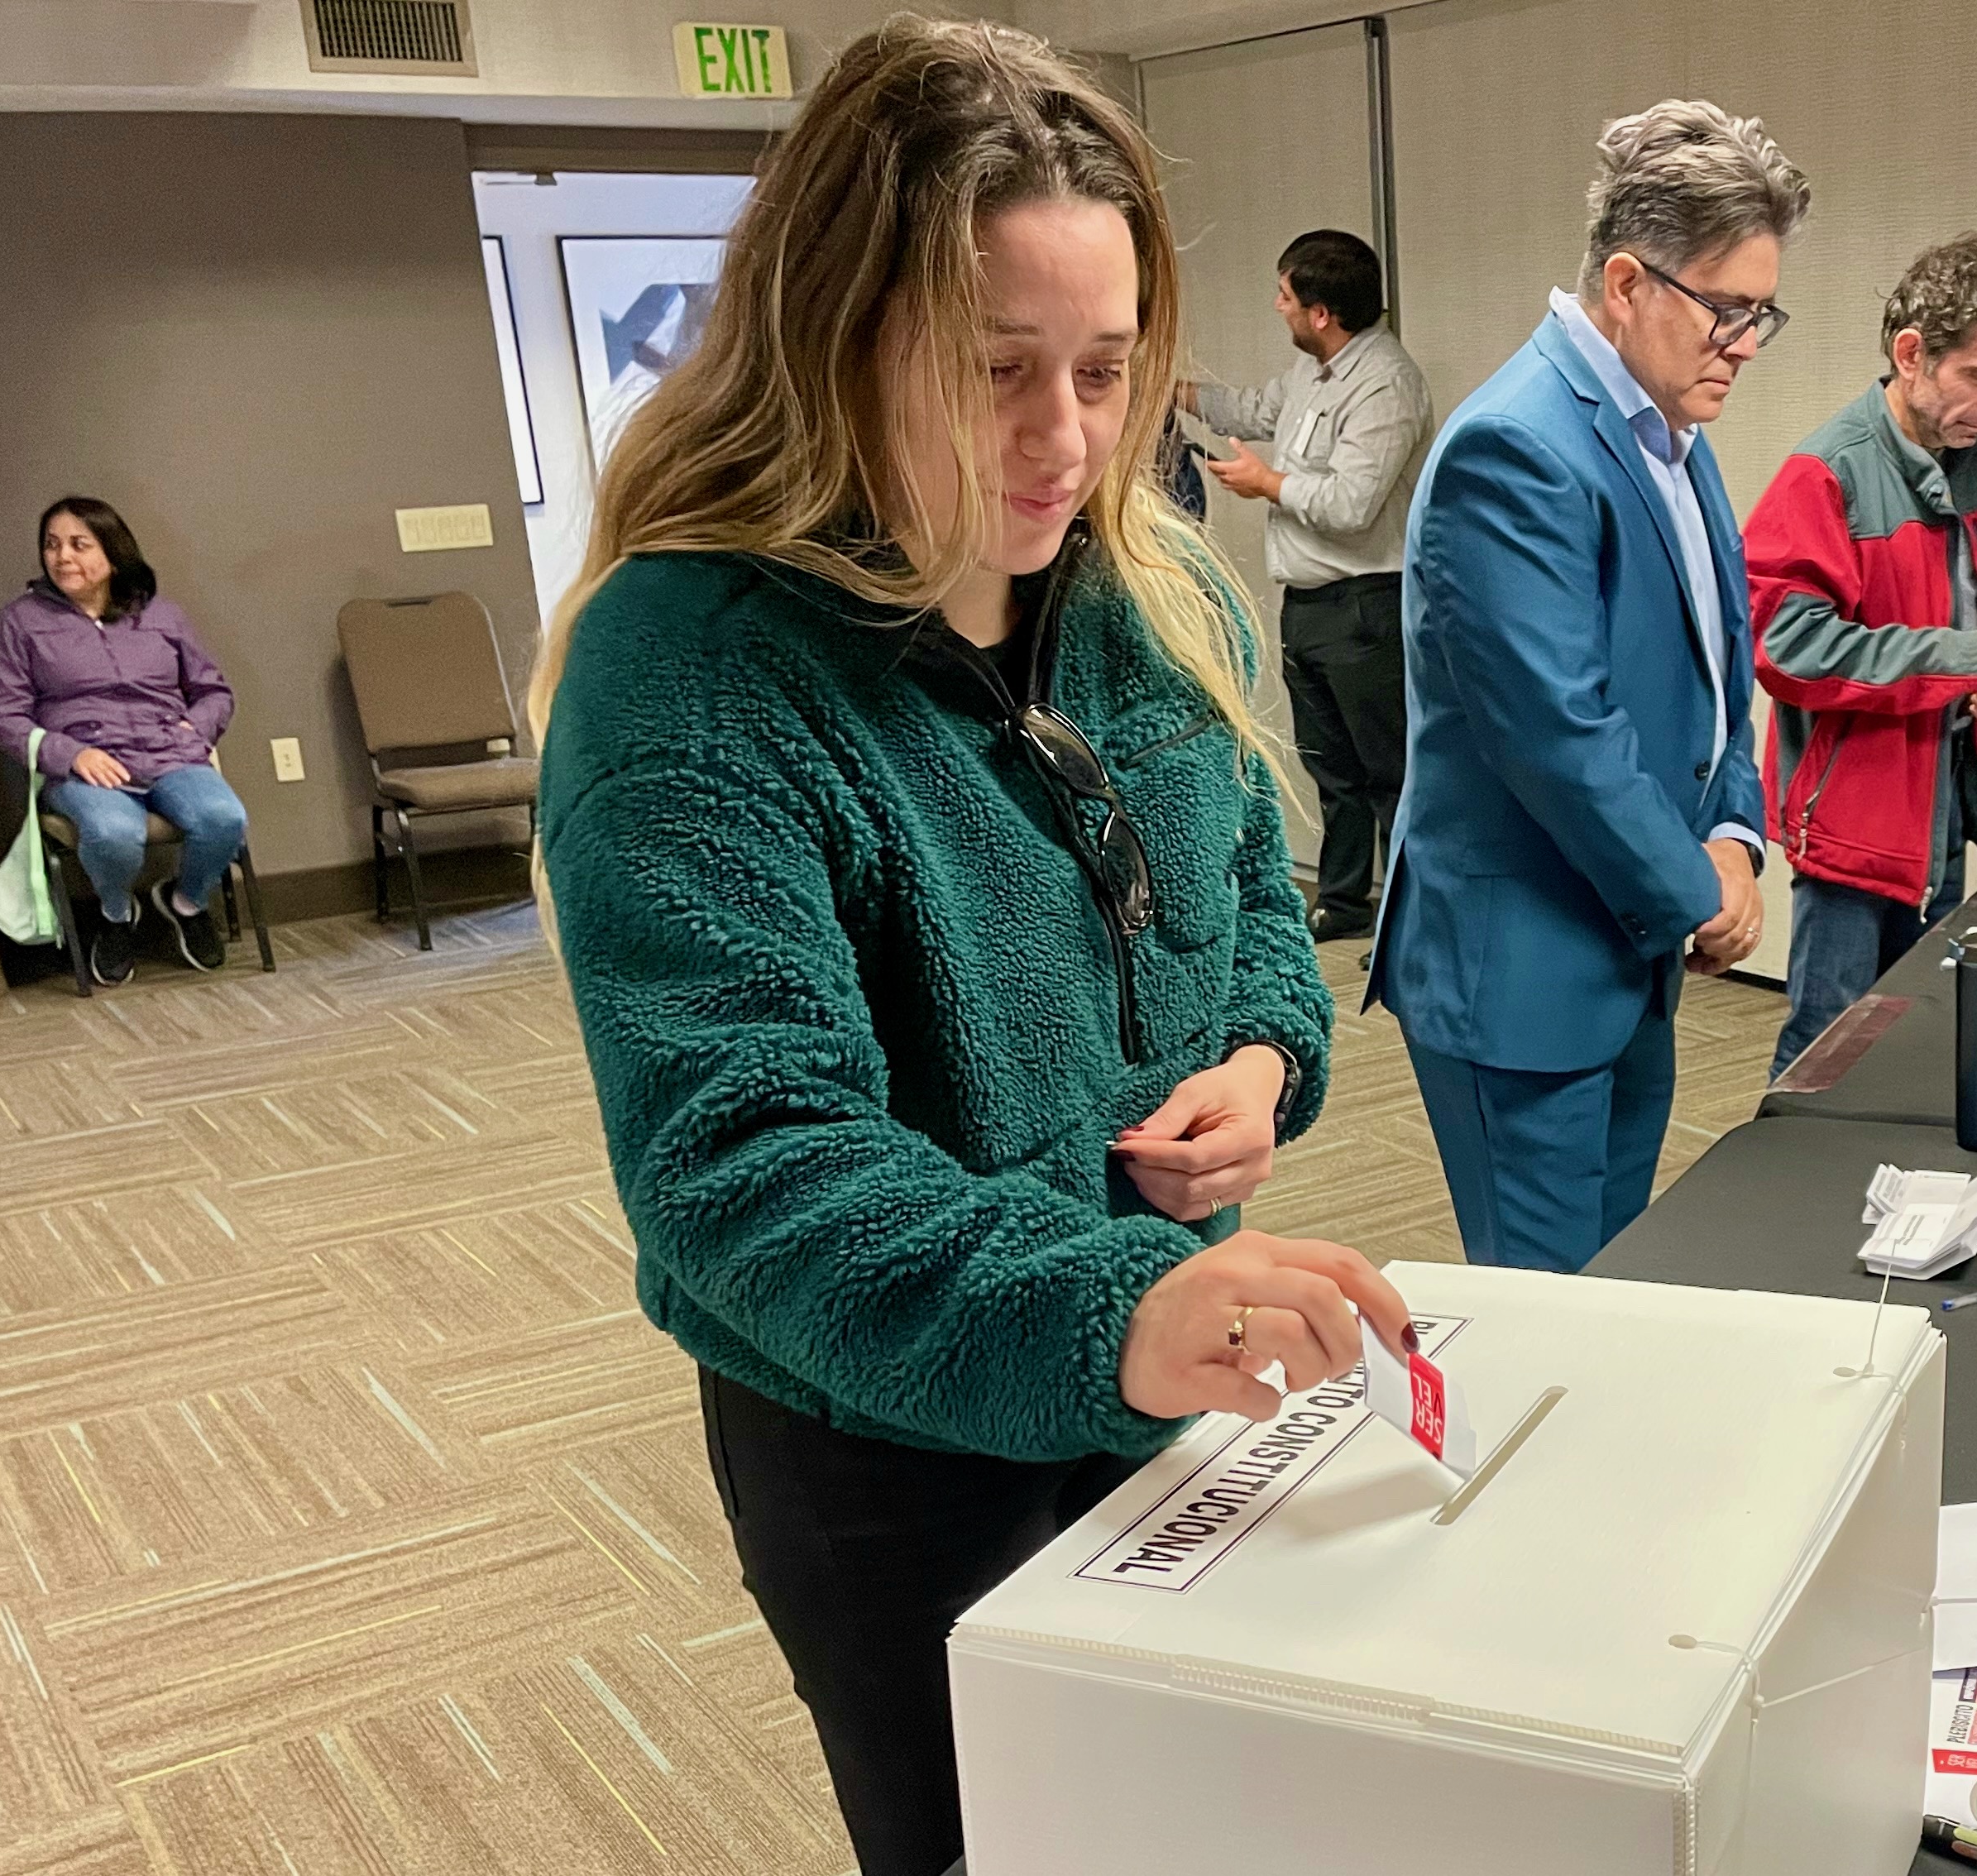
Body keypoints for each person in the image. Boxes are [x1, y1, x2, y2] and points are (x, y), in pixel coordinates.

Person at [528, 22, 1410, 1873]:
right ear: (835, 335)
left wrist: (1262, 1064)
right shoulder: (693, 666)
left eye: (1106, 370)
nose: (1065, 438)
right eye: (994, 369)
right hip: (894, 1438)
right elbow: (745, 1168)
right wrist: (1113, 1311)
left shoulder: (1146, 589)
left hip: (1168, 1360)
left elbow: (1253, 883)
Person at [1366, 101, 1803, 1272]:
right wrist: (1700, 891)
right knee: (1541, 1317)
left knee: (1613, 1293)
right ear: (1627, 284)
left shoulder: (1671, 431)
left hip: (1626, 946)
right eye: (1728, 309)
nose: (1748, 342)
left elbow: (1719, 673)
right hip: (1522, 970)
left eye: (1765, 312)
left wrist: (1733, 835)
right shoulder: (1515, 447)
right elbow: (1558, 733)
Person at [1745, 233, 1977, 1076]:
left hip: (1943, 812)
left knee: (1914, 1045)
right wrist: (1966, 660)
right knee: (1828, 1054)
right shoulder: (1826, 473)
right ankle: (1793, 1203)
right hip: (1853, 827)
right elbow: (1787, 650)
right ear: (1912, 354)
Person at [1182, 232, 1431, 940]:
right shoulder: (1315, 373)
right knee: (1335, 772)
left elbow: (1353, 506)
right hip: (1310, 609)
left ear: (1320, 312)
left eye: (1285, 295)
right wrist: (1173, 392)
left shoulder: (1387, 382)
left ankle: (1415, 919)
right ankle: (1345, 902)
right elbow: (1253, 409)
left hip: (1365, 607)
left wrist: (1267, 484)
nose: (1277, 305)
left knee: (1392, 775)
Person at [0, 495, 247, 984]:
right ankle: (116, 914)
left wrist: (197, 730)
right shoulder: (20, 622)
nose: (63, 557)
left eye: (79, 545)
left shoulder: (161, 614)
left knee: (224, 819)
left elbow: (213, 690)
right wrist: (72, 754)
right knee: (114, 834)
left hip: (170, 754)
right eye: (53, 545)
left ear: (114, 552)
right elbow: (4, 718)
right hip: (85, 764)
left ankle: (185, 902)